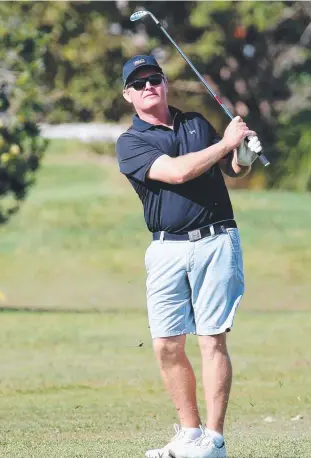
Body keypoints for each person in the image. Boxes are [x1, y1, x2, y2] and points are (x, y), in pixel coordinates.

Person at [116, 55, 262, 458]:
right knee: (166, 345)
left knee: (211, 340)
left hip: (217, 241)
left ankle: (213, 440)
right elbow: (178, 172)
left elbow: (232, 168)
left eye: (155, 79)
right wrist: (225, 145)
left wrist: (243, 155)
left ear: (165, 84)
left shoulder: (196, 123)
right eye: (139, 82)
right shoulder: (131, 143)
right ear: (128, 94)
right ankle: (190, 433)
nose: (149, 86)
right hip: (166, 249)